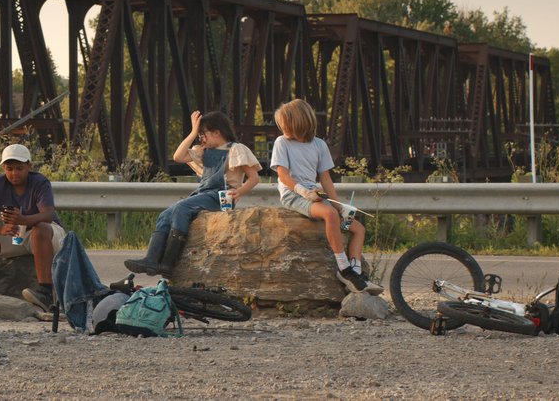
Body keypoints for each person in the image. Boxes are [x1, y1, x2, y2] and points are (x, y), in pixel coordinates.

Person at [125, 111, 260, 276]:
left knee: (181, 208)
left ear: (217, 132)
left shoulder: (236, 149)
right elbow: (178, 156)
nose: (201, 138)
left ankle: (168, 263)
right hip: (203, 193)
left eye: (203, 134)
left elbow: (254, 178)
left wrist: (239, 192)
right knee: (166, 214)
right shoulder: (204, 151)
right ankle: (151, 260)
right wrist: (192, 132)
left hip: (220, 195)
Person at [270, 99, 381, 294]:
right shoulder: (282, 142)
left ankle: (357, 274)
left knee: (357, 228)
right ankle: (344, 269)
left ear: (298, 122)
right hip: (294, 194)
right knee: (329, 215)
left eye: (284, 123)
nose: (282, 128)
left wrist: (340, 206)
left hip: (315, 194)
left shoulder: (319, 145)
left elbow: (326, 178)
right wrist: (304, 192)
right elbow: (283, 176)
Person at [0, 143, 66, 312]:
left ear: (29, 166)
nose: (14, 173)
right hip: (15, 234)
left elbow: (48, 214)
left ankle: (45, 292)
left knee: (40, 229)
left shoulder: (39, 182)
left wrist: (24, 219)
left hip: (45, 234)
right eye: (9, 169)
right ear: (3, 168)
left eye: (19, 168)